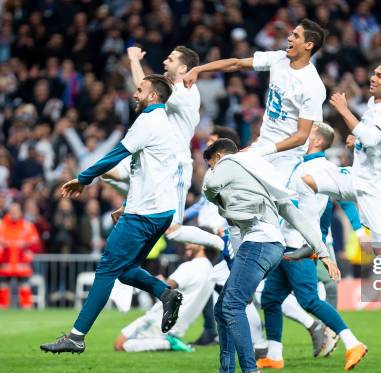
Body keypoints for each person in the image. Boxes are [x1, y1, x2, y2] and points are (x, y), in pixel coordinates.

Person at [40, 74, 183, 354]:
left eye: (140, 90)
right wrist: (128, 203)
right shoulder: (167, 125)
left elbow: (116, 153)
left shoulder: (147, 121)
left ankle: (76, 337)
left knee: (106, 269)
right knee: (125, 272)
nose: (134, 94)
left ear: (153, 96)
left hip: (143, 215)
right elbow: (148, 174)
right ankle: (165, 293)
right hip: (160, 212)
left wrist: (83, 178)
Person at [195, 139, 340, 373]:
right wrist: (324, 251)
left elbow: (211, 185)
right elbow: (296, 217)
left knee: (230, 306)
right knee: (224, 307)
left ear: (217, 157)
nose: (212, 169)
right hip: (272, 246)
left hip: (259, 244)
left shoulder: (229, 162)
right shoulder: (263, 177)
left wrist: (218, 200)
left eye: (211, 164)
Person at [301, 60, 381, 340]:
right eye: (373, 73)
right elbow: (367, 139)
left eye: (380, 76)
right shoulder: (374, 103)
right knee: (306, 182)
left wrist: (346, 112)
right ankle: (306, 243)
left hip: (377, 189)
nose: (373, 78)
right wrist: (354, 141)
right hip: (354, 176)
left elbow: (372, 138)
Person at [258, 122, 367, 371]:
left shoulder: (322, 169)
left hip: (301, 243)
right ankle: (274, 355)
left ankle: (353, 343)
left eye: (307, 134)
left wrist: (355, 231)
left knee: (308, 299)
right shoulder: (301, 164)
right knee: (271, 298)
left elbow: (344, 198)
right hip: (284, 242)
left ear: (317, 141)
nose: (300, 135)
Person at [103, 45, 225, 252]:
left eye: (170, 59)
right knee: (106, 171)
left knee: (174, 231)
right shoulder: (172, 89)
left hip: (175, 166)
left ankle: (220, 242)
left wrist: (134, 59)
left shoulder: (186, 91)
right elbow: (146, 88)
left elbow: (145, 88)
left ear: (182, 68)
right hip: (152, 161)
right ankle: (131, 204)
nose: (164, 62)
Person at [183, 19, 327, 186]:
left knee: (272, 202)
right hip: (263, 145)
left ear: (308, 45)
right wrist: (198, 69)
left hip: (287, 156)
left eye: (295, 35)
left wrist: (262, 151)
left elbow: (302, 136)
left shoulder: (313, 85)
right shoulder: (278, 58)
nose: (289, 38)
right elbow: (236, 63)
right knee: (221, 182)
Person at [114, 243, 219, 353]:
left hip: (158, 319)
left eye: (191, 242)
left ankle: (169, 343)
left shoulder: (190, 266)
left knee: (120, 345)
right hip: (178, 325)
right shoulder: (210, 270)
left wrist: (152, 281)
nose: (186, 245)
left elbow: (167, 288)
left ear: (203, 245)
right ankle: (170, 341)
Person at [0, 202, 42, 309]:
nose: (14, 213)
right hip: (5, 264)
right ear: (9, 211)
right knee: (3, 291)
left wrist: (26, 247)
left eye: (16, 210)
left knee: (25, 290)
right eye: (12, 210)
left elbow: (36, 244)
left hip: (22, 265)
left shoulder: (28, 226)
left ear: (20, 212)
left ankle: (26, 312)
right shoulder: (1, 225)